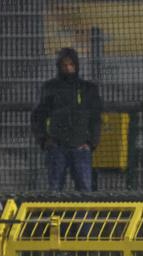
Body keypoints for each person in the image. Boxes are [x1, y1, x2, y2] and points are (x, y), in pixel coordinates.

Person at [31, 47, 102, 192]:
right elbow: (38, 116)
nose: (68, 68)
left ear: (76, 66)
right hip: (57, 146)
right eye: (64, 65)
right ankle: (56, 214)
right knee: (55, 189)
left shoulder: (87, 89)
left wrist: (91, 143)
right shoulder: (51, 88)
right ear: (59, 66)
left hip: (81, 147)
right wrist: (44, 140)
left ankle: (83, 215)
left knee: (84, 189)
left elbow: (95, 118)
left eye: (71, 65)